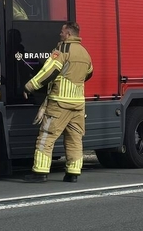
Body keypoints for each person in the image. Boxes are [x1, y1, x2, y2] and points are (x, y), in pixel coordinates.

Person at [22, 21, 93, 183]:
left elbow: (49, 71)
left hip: (60, 102)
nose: (60, 34)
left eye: (62, 32)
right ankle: (73, 173)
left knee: (47, 136)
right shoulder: (84, 53)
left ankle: (40, 172)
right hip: (78, 103)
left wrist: (29, 86)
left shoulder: (62, 50)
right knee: (74, 138)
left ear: (68, 34)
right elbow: (89, 73)